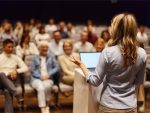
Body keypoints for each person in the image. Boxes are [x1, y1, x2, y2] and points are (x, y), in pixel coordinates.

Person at [71, 13, 147, 113]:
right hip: (130, 106)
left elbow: (95, 81)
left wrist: (82, 65)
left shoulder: (108, 52)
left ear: (117, 29)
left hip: (109, 106)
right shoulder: (142, 53)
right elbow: (140, 82)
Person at [0, 39, 28, 113]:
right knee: (2, 74)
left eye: (12, 47)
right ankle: (16, 93)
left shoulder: (16, 57)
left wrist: (16, 71)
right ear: (3, 47)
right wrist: (7, 73)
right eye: (9, 47)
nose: (11, 49)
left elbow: (25, 67)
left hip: (11, 80)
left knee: (7, 91)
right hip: (0, 81)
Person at [31, 41, 59, 113]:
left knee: (46, 86)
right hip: (36, 79)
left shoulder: (51, 57)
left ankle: (47, 105)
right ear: (39, 48)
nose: (45, 49)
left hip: (48, 78)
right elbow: (32, 70)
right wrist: (41, 77)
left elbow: (56, 67)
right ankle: (43, 108)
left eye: (46, 47)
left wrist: (49, 74)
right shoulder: (35, 57)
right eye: (43, 47)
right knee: (40, 88)